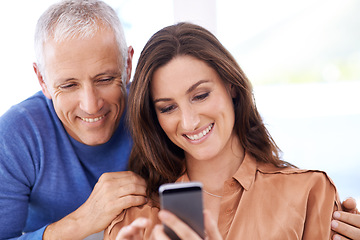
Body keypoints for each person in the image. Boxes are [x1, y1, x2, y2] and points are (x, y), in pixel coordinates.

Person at [104, 22, 360, 240]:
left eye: (201, 95)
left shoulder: (310, 193)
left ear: (232, 86)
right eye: (168, 107)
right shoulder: (134, 218)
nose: (190, 122)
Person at [0, 1, 147, 239]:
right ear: (42, 80)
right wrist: (82, 221)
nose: (91, 105)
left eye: (105, 79)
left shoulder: (157, 111)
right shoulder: (15, 136)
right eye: (68, 85)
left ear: (128, 65)